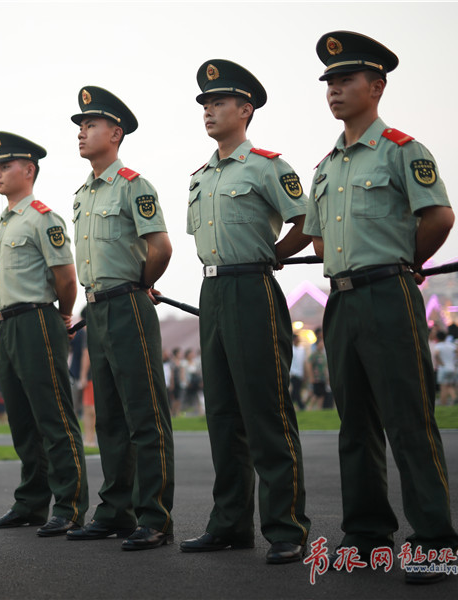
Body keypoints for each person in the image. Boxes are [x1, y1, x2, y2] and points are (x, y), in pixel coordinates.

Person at [303, 31, 458, 584]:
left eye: (345, 80)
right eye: (329, 83)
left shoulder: (401, 149)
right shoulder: (325, 167)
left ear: (377, 85)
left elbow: (438, 217)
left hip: (389, 295)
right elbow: (319, 240)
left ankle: (435, 540)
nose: (335, 91)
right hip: (341, 301)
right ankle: (367, 534)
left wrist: (400, 260)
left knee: (408, 419)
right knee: (356, 425)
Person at [179, 60, 311, 564]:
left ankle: (286, 526)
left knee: (266, 411)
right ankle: (230, 523)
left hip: (254, 286)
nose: (209, 111)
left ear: (245, 109)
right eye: (205, 105)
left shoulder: (268, 166)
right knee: (223, 416)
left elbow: (307, 219)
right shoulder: (200, 175)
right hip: (212, 292)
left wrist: (276, 253)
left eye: (218, 103)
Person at [64, 87, 174, 551]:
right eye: (80, 127)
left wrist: (138, 284)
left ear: (116, 132)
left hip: (127, 302)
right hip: (97, 308)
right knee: (108, 417)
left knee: (144, 415)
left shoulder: (133, 185)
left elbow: (161, 247)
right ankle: (115, 511)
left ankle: (156, 516)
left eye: (90, 126)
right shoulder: (82, 194)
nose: (82, 133)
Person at [0, 131, 89, 537]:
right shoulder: (4, 223)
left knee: (53, 416)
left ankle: (70, 504)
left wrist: (62, 316)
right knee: (23, 422)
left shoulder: (42, 217)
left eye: (5, 166)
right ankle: (30, 502)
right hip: (6, 325)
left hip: (36, 321)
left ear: (29, 170)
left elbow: (65, 276)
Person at [435, 333, 458, 406]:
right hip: (452, 367)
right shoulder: (451, 345)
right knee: (449, 385)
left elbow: (436, 354)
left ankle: (443, 402)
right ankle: (454, 397)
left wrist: (440, 362)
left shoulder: (438, 345)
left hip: (443, 368)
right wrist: (454, 361)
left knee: (443, 386)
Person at [305, 338, 328, 411]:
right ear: (317, 345)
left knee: (322, 394)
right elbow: (309, 365)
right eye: (321, 343)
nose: (322, 345)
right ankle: (309, 408)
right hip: (316, 378)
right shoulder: (314, 354)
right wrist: (311, 377)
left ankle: (319, 409)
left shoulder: (323, 354)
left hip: (322, 378)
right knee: (316, 393)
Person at [289, 335, 307, 411]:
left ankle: (290, 405)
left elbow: (303, 362)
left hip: (300, 373)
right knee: (296, 390)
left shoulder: (302, 350)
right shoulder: (291, 349)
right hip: (293, 373)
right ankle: (301, 406)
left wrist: (305, 374)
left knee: (296, 391)